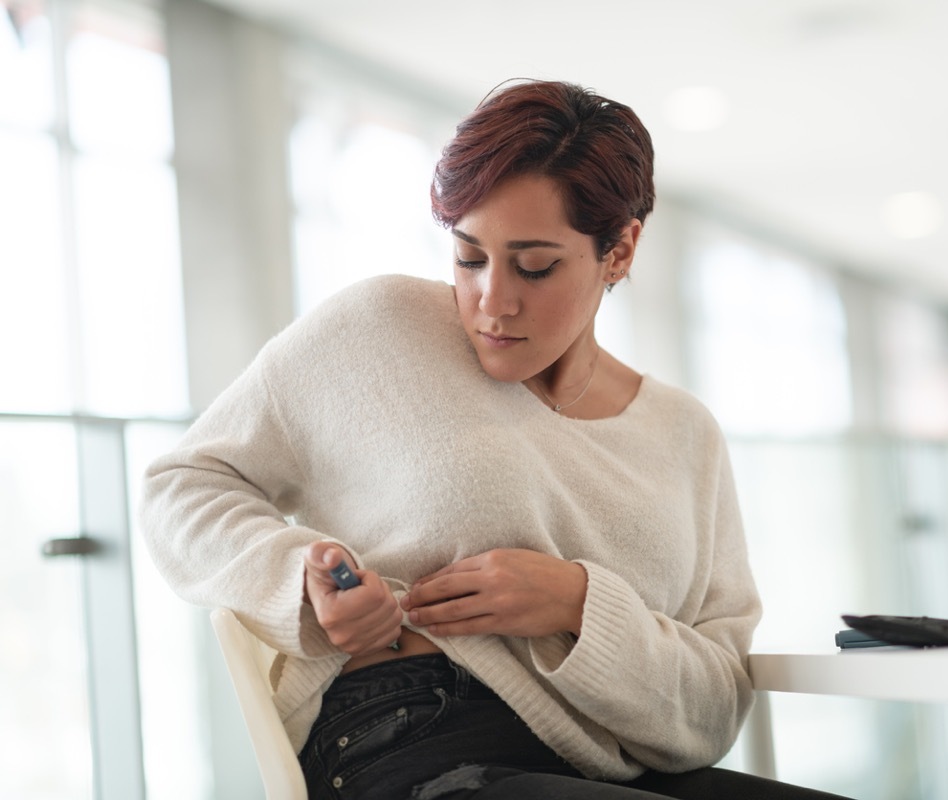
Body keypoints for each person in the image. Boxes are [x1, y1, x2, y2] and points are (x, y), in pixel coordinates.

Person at [141, 79, 849, 800]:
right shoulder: (378, 330)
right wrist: (301, 578)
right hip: (413, 738)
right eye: (469, 257)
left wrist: (578, 605)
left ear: (620, 250)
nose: (491, 302)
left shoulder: (685, 434)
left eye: (535, 266)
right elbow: (182, 486)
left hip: (623, 766)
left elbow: (715, 705)